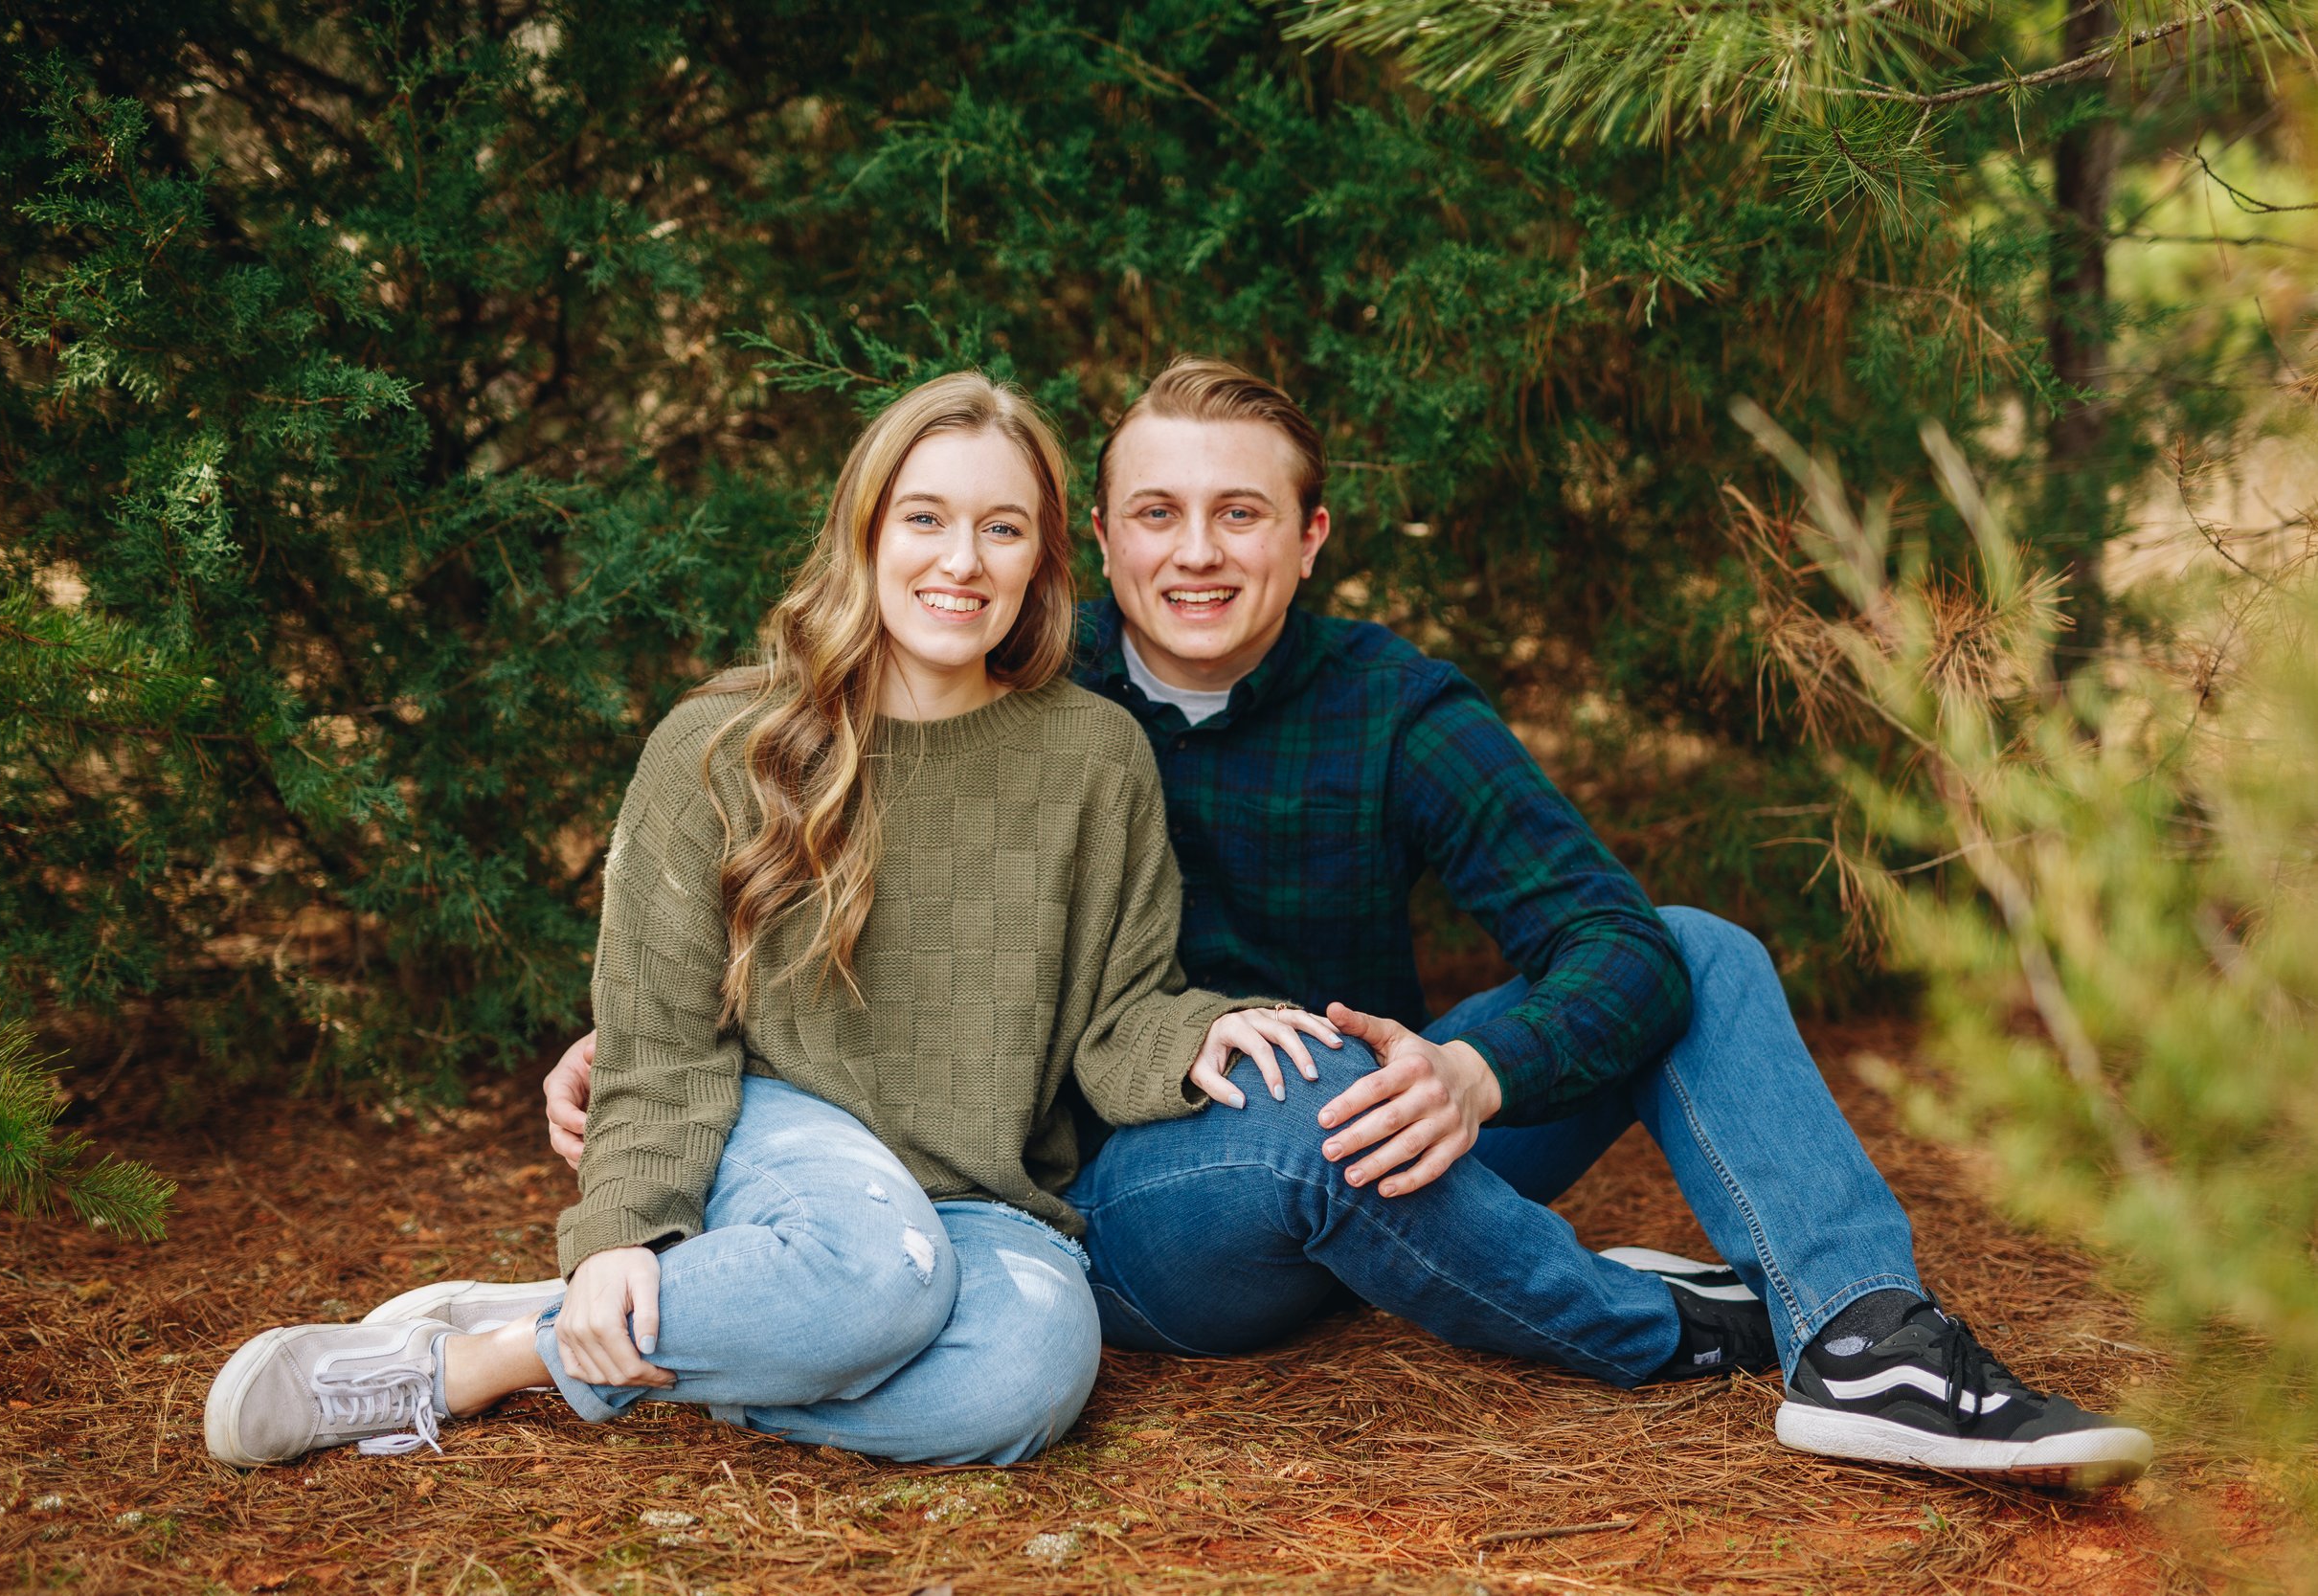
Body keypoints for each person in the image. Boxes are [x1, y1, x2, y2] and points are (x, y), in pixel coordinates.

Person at [544, 359, 2151, 1490]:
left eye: (1241, 515)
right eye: (1154, 513)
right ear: (1097, 542)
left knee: (1699, 946)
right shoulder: (1025, 685)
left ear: (1310, 540)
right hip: (1148, 1189)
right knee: (1311, 1109)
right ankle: (1668, 1321)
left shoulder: (1394, 708)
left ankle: (1863, 1336)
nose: (1195, 550)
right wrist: (662, 1036)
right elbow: (871, 879)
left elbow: (1615, 947)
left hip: (1397, 1125)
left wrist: (1479, 1075)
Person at [201, 371, 1344, 1470]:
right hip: (779, 1133)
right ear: (863, 530)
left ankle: (574, 1328)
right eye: (925, 518)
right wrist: (622, 1232)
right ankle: (462, 1367)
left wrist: (1201, 1033)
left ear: (1044, 556)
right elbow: (659, 1037)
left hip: (974, 1196)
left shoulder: (1095, 756)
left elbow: (1118, 1008)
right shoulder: (721, 742)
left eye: (1001, 529)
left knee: (1026, 1376)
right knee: (876, 1277)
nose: (960, 560)